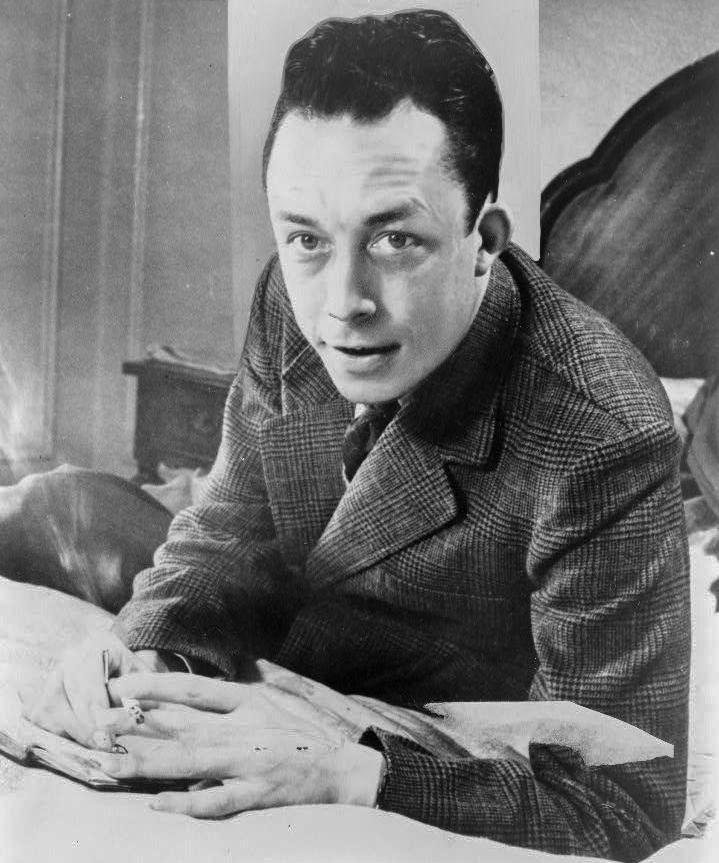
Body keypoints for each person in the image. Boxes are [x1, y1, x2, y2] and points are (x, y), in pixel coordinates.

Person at [29, 10, 690, 859]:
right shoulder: (291, 289)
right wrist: (143, 647)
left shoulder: (602, 433)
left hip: (386, 696)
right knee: (48, 505)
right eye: (306, 236)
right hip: (282, 629)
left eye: (395, 237)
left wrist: (351, 773)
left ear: (483, 241)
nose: (342, 301)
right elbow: (227, 531)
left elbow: (623, 804)